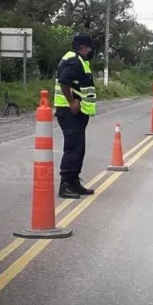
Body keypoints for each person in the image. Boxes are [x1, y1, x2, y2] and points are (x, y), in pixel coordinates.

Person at [53, 33, 97, 199]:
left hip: (77, 113)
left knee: (79, 149)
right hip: (69, 111)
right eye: (90, 48)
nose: (92, 51)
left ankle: (74, 183)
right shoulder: (73, 60)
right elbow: (64, 81)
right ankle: (65, 185)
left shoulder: (79, 60)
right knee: (72, 149)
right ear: (83, 48)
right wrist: (71, 101)